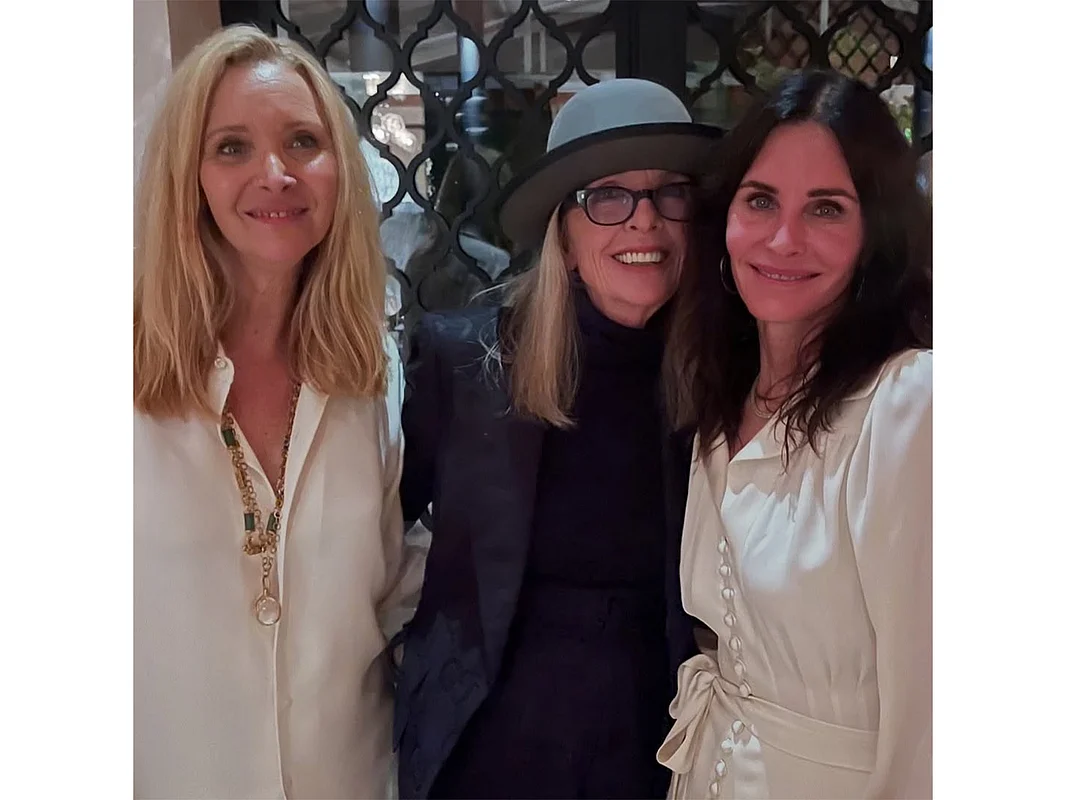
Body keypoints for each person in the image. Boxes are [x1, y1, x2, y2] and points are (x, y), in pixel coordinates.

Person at [393, 78, 722, 799]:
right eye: (608, 196)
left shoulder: (727, 380)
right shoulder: (465, 364)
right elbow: (372, 536)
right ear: (564, 236)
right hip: (490, 745)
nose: (645, 221)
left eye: (670, 194)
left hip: (657, 747)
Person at [133, 25, 424, 799]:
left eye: (303, 142)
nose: (275, 174)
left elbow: (390, 589)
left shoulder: (372, 375)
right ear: (187, 177)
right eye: (232, 147)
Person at [657, 70, 932, 799]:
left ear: (875, 233)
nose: (784, 239)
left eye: (827, 208)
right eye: (760, 200)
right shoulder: (722, 400)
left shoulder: (910, 405)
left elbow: (938, 717)